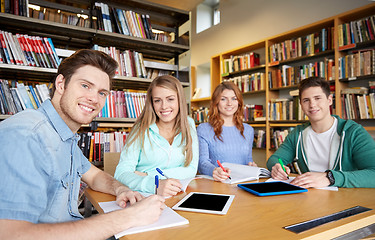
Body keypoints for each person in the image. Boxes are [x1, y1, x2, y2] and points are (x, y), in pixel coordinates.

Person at [0, 49, 165, 240]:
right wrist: (128, 217)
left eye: (102, 93)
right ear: (61, 84)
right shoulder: (28, 135)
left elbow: (95, 176)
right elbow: (9, 235)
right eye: (85, 85)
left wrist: (122, 189)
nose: (94, 99)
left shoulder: (64, 137)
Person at [267, 76, 375, 188]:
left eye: (317, 98)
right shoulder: (297, 134)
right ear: (301, 105)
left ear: (329, 100)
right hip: (309, 198)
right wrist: (276, 167)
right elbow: (274, 159)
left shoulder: (353, 132)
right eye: (306, 100)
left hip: (346, 199)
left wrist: (330, 178)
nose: (312, 105)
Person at [114, 75, 199, 197]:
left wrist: (149, 175)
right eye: (157, 100)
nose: (164, 106)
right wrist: (154, 184)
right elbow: (121, 173)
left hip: (177, 194)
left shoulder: (189, 124)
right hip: (145, 195)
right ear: (151, 103)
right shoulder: (140, 129)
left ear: (179, 100)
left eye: (170, 99)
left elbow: (191, 170)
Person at [198, 81, 256, 182]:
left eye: (234, 99)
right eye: (223, 99)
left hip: (242, 182)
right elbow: (202, 163)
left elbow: (248, 160)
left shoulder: (248, 130)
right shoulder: (203, 129)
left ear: (239, 102)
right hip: (217, 183)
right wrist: (214, 170)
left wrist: (252, 166)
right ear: (216, 102)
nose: (229, 103)